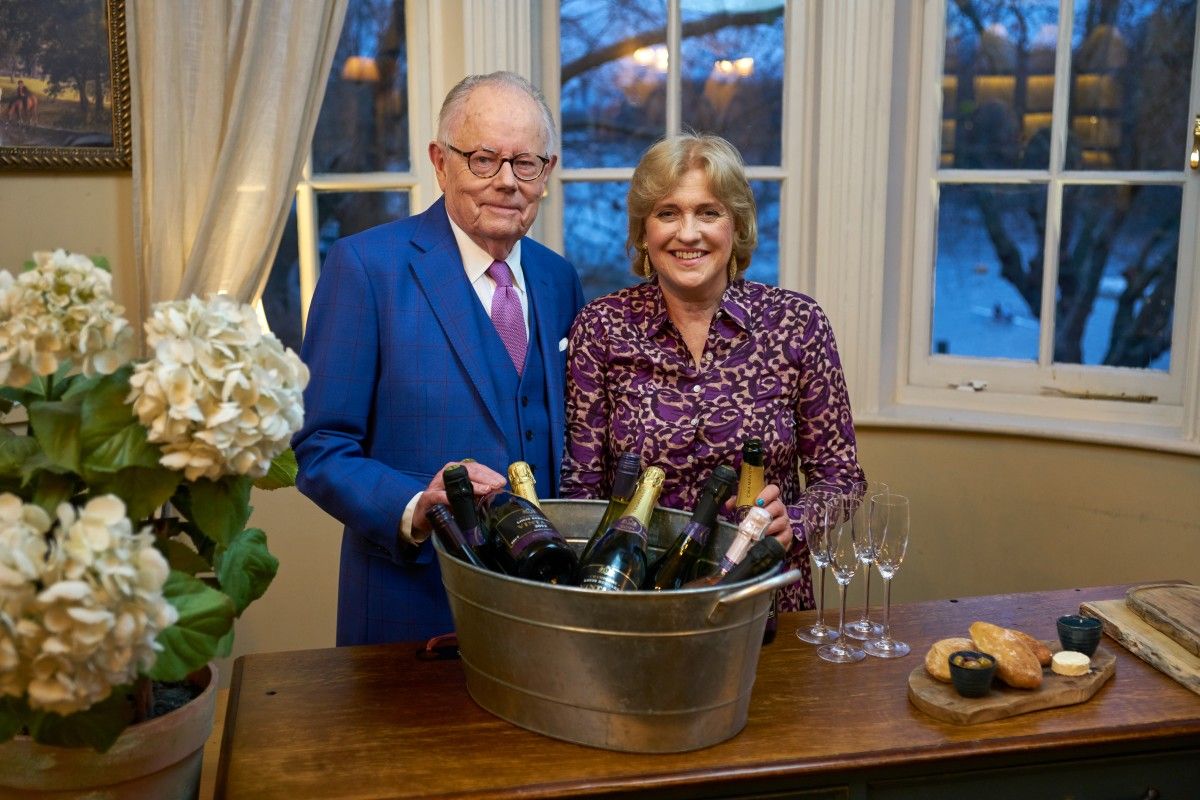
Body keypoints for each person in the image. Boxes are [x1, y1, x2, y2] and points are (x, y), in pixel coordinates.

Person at [293, 71, 585, 646]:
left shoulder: (559, 279)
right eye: (483, 159)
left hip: (547, 613)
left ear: (546, 174)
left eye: (526, 163)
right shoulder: (365, 268)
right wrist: (413, 506)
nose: (507, 182)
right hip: (414, 609)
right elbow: (320, 446)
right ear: (440, 161)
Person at [559, 133, 865, 611]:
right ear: (643, 231)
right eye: (667, 213)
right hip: (638, 602)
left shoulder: (798, 324)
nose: (688, 233)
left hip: (764, 599)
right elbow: (580, 489)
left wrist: (797, 523)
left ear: (736, 226)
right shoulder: (602, 328)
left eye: (708, 212)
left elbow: (842, 477)